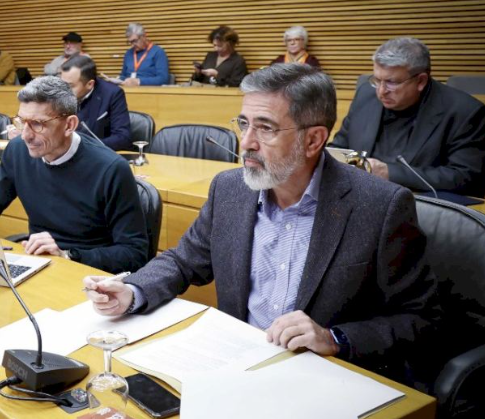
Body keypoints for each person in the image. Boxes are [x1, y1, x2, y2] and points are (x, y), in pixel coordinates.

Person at [84, 64, 439, 382]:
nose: (246, 142)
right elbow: (183, 260)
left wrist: (335, 339)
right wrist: (134, 290)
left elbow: (421, 319)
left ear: (313, 139)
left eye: (265, 128)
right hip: (235, 366)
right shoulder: (230, 189)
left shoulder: (378, 206)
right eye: (243, 124)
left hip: (324, 377)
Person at [0, 75, 148, 273]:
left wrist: (67, 255)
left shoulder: (111, 168)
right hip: (39, 263)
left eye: (38, 124)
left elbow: (134, 254)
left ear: (69, 125)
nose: (26, 135)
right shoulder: (17, 151)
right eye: (21, 121)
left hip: (89, 275)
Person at [331, 37, 485, 197]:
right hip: (359, 197)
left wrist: (389, 173)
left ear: (420, 81)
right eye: (377, 80)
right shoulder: (366, 94)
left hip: (419, 205)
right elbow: (341, 147)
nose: (381, 91)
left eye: (391, 82)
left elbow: (465, 178)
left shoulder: (464, 112)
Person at [60, 55, 131, 150]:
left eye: (70, 86)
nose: (64, 90)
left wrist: (86, 147)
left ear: (90, 84)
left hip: (96, 155)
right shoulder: (58, 93)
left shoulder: (112, 94)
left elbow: (122, 138)